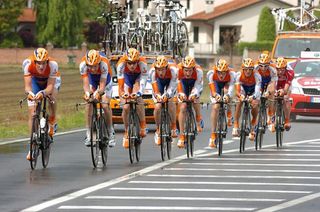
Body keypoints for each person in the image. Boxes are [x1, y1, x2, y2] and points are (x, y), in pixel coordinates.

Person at [23, 47, 61, 160]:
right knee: (32, 112)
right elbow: (27, 86)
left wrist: (43, 93)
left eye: (43, 63)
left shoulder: (53, 65)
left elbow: (50, 87)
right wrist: (30, 93)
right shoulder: (27, 64)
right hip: (35, 81)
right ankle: (32, 144)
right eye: (38, 63)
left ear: (47, 61)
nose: (41, 66)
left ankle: (52, 120)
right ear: (34, 61)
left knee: (52, 97)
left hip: (50, 81)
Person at [79, 49, 115, 147]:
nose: (93, 69)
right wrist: (87, 93)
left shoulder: (104, 63)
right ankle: (88, 133)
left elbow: (102, 85)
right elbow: (86, 83)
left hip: (105, 80)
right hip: (92, 80)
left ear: (99, 63)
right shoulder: (83, 65)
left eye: (95, 66)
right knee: (89, 102)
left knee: (105, 104)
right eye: (90, 66)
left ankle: (110, 131)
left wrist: (99, 93)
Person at [116, 48, 148, 148]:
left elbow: (143, 82)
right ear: (126, 62)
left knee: (137, 97)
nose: (132, 65)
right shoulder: (120, 65)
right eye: (129, 63)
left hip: (138, 78)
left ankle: (142, 125)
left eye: (134, 63)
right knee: (125, 107)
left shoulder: (143, 63)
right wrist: (123, 94)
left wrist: (138, 93)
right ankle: (126, 131)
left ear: (138, 61)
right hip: (126, 79)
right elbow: (121, 87)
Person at [207, 59, 236, 148]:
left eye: (224, 72)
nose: (221, 75)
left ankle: (229, 114)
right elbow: (212, 90)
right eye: (219, 72)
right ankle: (212, 135)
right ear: (216, 71)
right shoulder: (211, 73)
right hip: (216, 85)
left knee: (227, 94)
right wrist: (216, 95)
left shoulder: (232, 74)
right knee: (216, 107)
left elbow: (231, 88)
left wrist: (227, 95)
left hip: (226, 85)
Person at [149, 56, 178, 145]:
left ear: (166, 68)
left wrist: (167, 95)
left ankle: (173, 126)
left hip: (170, 83)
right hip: (159, 83)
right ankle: (158, 129)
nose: (160, 72)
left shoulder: (174, 70)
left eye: (162, 69)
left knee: (170, 102)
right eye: (158, 70)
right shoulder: (152, 72)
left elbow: (172, 86)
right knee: (157, 106)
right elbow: (155, 89)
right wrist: (158, 96)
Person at [176, 55, 204, 148]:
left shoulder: (199, 71)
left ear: (193, 69)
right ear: (182, 68)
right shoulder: (178, 70)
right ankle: (181, 136)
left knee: (195, 99)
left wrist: (193, 94)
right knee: (183, 107)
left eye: (190, 70)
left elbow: (198, 86)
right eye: (186, 70)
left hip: (195, 84)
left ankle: (198, 117)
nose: (188, 73)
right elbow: (178, 85)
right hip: (183, 84)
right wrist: (181, 94)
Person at [233, 58, 261, 141]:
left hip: (253, 90)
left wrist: (253, 97)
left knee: (255, 104)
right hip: (243, 89)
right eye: (246, 69)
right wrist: (240, 96)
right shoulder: (238, 75)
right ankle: (236, 124)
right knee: (239, 101)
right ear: (243, 69)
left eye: (250, 69)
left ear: (253, 69)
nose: (248, 71)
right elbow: (237, 91)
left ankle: (253, 122)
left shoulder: (257, 75)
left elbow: (257, 90)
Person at [254, 51, 278, 132]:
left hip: (269, 81)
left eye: (266, 66)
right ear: (258, 63)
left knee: (271, 94)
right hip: (259, 81)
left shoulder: (273, 69)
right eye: (261, 65)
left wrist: (269, 92)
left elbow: (273, 84)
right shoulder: (255, 68)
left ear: (269, 64)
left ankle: (270, 116)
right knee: (257, 97)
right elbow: (255, 83)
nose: (263, 68)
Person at [274, 57, 294, 131]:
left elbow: (286, 89)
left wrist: (283, 91)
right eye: (278, 69)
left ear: (285, 68)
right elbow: (273, 84)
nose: (280, 71)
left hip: (286, 84)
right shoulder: (273, 71)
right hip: (277, 84)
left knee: (285, 98)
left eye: (282, 69)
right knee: (272, 97)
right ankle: (272, 117)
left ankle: (287, 120)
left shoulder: (290, 72)